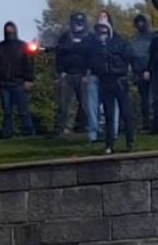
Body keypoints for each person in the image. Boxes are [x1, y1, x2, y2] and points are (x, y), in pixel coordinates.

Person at [86, 21, 136, 154]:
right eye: (99, 30)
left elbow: (130, 57)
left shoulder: (120, 43)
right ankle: (109, 145)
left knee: (126, 112)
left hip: (119, 80)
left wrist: (128, 73)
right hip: (105, 81)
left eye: (104, 30)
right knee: (108, 114)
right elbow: (92, 63)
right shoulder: (95, 47)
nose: (101, 33)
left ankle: (130, 141)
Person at [0, 21, 35, 138]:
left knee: (23, 111)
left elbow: (28, 64)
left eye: (11, 29)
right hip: (4, 84)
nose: (9, 32)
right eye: (7, 29)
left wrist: (29, 79)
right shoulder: (0, 48)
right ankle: (7, 134)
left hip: (19, 83)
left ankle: (28, 133)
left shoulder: (22, 46)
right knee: (7, 112)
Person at [53, 12, 92, 135]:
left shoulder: (89, 37)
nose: (77, 25)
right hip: (67, 74)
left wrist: (88, 73)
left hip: (83, 75)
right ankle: (61, 128)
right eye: (75, 22)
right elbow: (59, 54)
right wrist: (60, 72)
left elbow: (91, 56)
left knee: (85, 104)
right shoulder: (65, 37)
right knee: (64, 104)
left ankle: (82, 127)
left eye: (80, 22)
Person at [86, 11, 119, 143]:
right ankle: (94, 134)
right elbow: (87, 58)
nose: (102, 30)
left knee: (113, 106)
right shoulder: (91, 42)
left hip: (110, 77)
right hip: (94, 76)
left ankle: (113, 132)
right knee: (92, 107)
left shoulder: (116, 40)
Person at [131, 14, 154, 131]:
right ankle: (146, 122)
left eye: (142, 22)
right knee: (144, 100)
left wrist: (148, 70)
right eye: (138, 22)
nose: (140, 24)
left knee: (152, 99)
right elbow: (133, 57)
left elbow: (154, 55)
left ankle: (154, 122)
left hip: (152, 72)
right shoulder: (134, 40)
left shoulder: (153, 37)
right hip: (138, 73)